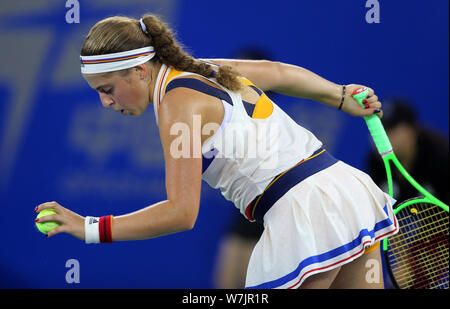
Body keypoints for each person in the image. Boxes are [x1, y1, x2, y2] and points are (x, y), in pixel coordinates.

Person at [34, 13, 399, 289]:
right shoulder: (204, 70)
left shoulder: (176, 107)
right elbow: (279, 72)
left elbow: (181, 213)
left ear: (141, 71)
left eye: (108, 88)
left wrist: (90, 228)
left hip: (307, 213)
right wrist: (338, 95)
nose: (104, 102)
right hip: (345, 191)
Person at [367, 99, 449, 205]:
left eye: (389, 130)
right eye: (378, 130)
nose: (378, 138)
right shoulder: (376, 162)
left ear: (410, 131)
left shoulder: (442, 159)